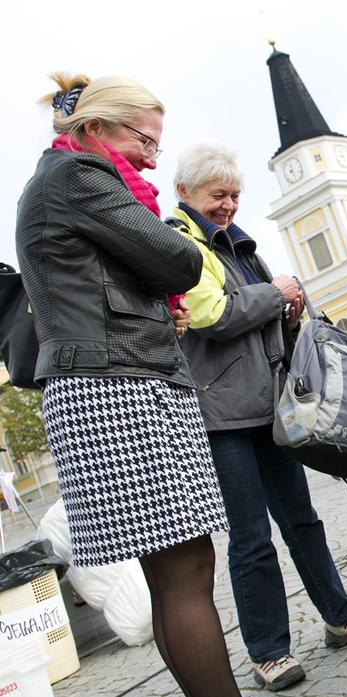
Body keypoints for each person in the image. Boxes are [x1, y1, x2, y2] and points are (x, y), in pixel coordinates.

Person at [16, 73, 240, 696]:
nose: (150, 155)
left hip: (110, 382)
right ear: (95, 129)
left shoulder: (61, 178)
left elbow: (105, 281)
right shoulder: (81, 177)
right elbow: (181, 258)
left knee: (175, 576)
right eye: (144, 138)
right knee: (185, 572)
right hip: (117, 389)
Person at [169, 142, 347, 691]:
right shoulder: (180, 242)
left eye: (235, 194)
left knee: (303, 522)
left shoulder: (238, 246)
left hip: (269, 409)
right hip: (221, 416)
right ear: (185, 194)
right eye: (217, 194)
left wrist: (286, 309)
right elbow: (211, 316)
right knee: (251, 539)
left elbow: (256, 316)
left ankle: (342, 616)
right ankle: (268, 651)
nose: (228, 204)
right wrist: (275, 293)